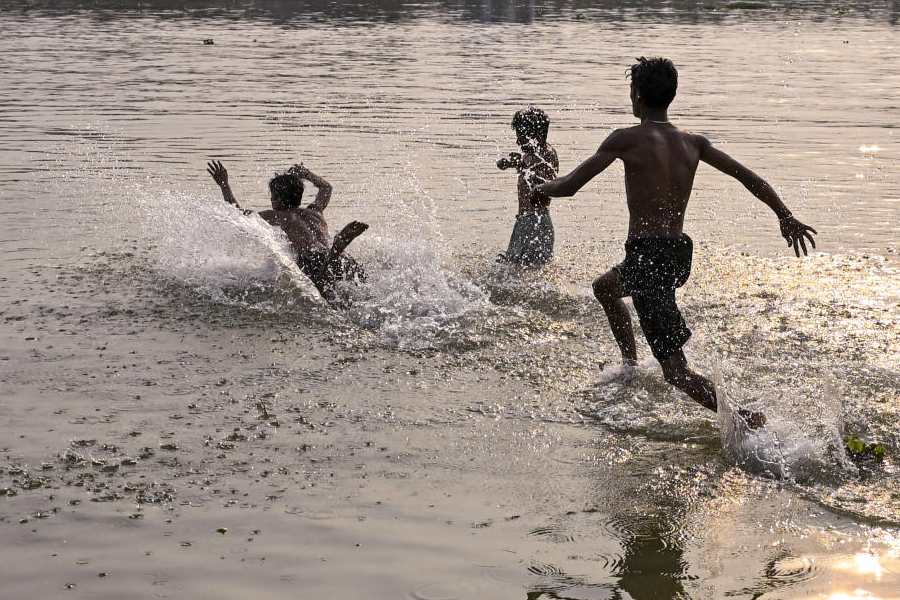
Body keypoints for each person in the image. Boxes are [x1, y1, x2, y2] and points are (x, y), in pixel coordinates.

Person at [537, 57, 817, 427]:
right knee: (605, 287)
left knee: (676, 372)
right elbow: (750, 178)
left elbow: (570, 186)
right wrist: (784, 215)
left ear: (636, 96)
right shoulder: (693, 143)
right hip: (676, 253)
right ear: (672, 94)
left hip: (648, 255)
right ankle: (631, 366)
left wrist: (540, 186)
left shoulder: (625, 138)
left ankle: (746, 419)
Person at [206, 160, 368, 306]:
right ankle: (337, 249)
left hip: (313, 261)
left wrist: (224, 185)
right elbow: (326, 188)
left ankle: (336, 249)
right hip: (343, 259)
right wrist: (307, 174)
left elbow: (239, 215)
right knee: (359, 293)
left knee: (330, 300)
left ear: (276, 199)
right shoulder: (315, 212)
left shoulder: (279, 216)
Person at [496, 107, 559, 266]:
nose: (518, 142)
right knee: (513, 268)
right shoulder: (532, 156)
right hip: (524, 221)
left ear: (536, 135)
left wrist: (522, 164)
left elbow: (544, 184)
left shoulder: (546, 154)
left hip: (535, 222)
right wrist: (515, 163)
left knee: (523, 272)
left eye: (521, 137)